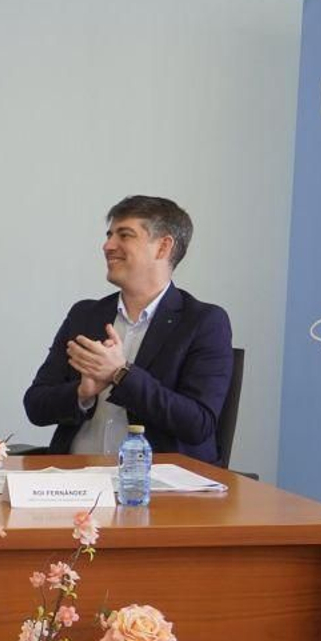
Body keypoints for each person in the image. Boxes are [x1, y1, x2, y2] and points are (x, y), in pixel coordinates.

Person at [23, 195, 233, 463]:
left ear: (163, 247)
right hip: (76, 478)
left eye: (124, 235)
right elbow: (35, 406)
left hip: (155, 483)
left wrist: (121, 374)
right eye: (109, 235)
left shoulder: (204, 322)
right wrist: (82, 393)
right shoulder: (85, 315)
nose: (108, 246)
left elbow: (197, 423)